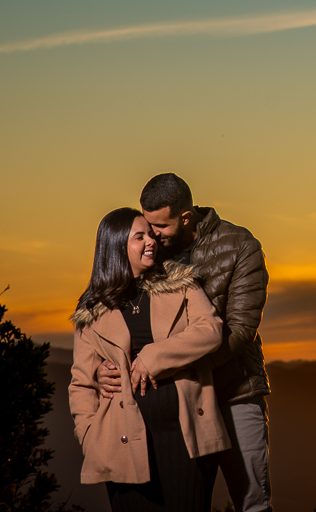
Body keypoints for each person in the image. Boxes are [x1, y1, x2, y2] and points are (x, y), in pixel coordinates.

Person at [97, 174, 273, 512]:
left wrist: (168, 365)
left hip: (234, 394)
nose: (152, 235)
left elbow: (240, 331)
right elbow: (126, 317)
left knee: (252, 503)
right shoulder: (152, 255)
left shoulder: (241, 246)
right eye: (147, 227)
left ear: (186, 217)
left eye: (159, 226)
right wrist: (106, 368)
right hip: (176, 404)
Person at [70, 207, 232, 511]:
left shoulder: (181, 284)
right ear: (117, 245)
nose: (151, 242)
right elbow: (81, 384)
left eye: (151, 235)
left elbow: (211, 330)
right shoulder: (92, 309)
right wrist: (91, 436)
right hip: (121, 442)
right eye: (139, 237)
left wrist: (152, 357)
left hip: (185, 438)